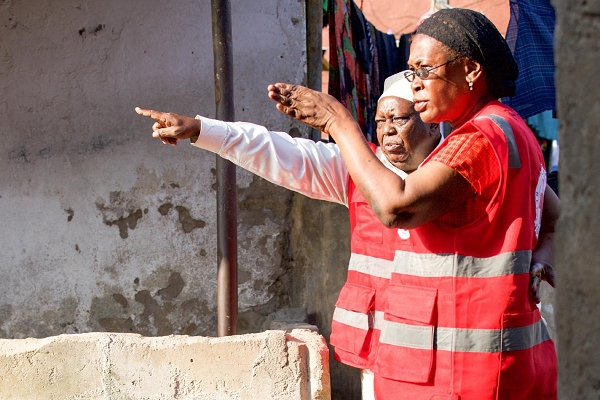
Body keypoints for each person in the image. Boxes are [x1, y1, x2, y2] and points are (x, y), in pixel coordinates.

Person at [266, 8, 559, 400]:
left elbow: (395, 206)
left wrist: (338, 122)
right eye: (410, 72)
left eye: (424, 70)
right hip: (503, 366)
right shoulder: (513, 130)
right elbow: (559, 219)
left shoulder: (478, 138)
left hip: (461, 375)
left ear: (471, 71)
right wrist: (541, 258)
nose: (414, 84)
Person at [136, 74, 441, 399]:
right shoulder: (360, 168)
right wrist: (200, 129)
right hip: (380, 356)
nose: (387, 130)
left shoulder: (454, 173)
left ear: (434, 124)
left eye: (400, 119)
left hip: (439, 350)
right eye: (381, 120)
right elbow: (280, 152)